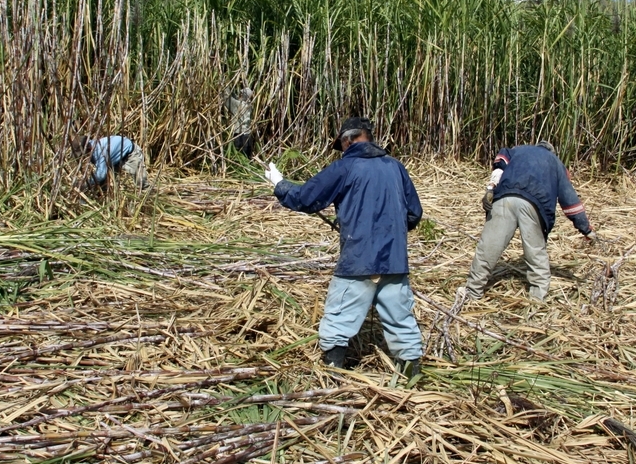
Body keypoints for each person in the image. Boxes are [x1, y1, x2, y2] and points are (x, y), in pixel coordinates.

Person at [264, 116, 424, 376]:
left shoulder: (345, 167)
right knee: (402, 323)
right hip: (395, 262)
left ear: (347, 140)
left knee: (338, 321)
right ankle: (412, 380)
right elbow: (414, 214)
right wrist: (388, 231)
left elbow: (306, 198)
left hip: (358, 260)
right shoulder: (396, 167)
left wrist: (279, 184)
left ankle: (332, 377)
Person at [463, 141, 595, 303]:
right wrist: (586, 229)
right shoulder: (555, 163)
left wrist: (490, 188)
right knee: (535, 252)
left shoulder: (517, 151)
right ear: (551, 151)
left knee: (488, 248)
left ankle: (472, 292)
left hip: (505, 197)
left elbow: (499, 164)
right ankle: (537, 298)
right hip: (534, 204)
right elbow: (569, 200)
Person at [71, 135, 149, 190]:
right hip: (114, 157)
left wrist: (86, 184)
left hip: (130, 153)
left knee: (141, 182)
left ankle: (147, 194)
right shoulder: (92, 145)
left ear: (88, 148)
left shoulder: (101, 152)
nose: (83, 156)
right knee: (103, 184)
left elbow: (100, 175)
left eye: (83, 153)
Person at [225, 87, 255, 158]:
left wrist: (225, 86)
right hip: (247, 135)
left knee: (239, 155)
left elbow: (226, 99)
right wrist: (232, 92)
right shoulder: (249, 105)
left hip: (239, 136)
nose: (239, 95)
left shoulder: (238, 105)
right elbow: (235, 98)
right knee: (246, 157)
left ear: (242, 95)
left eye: (240, 94)